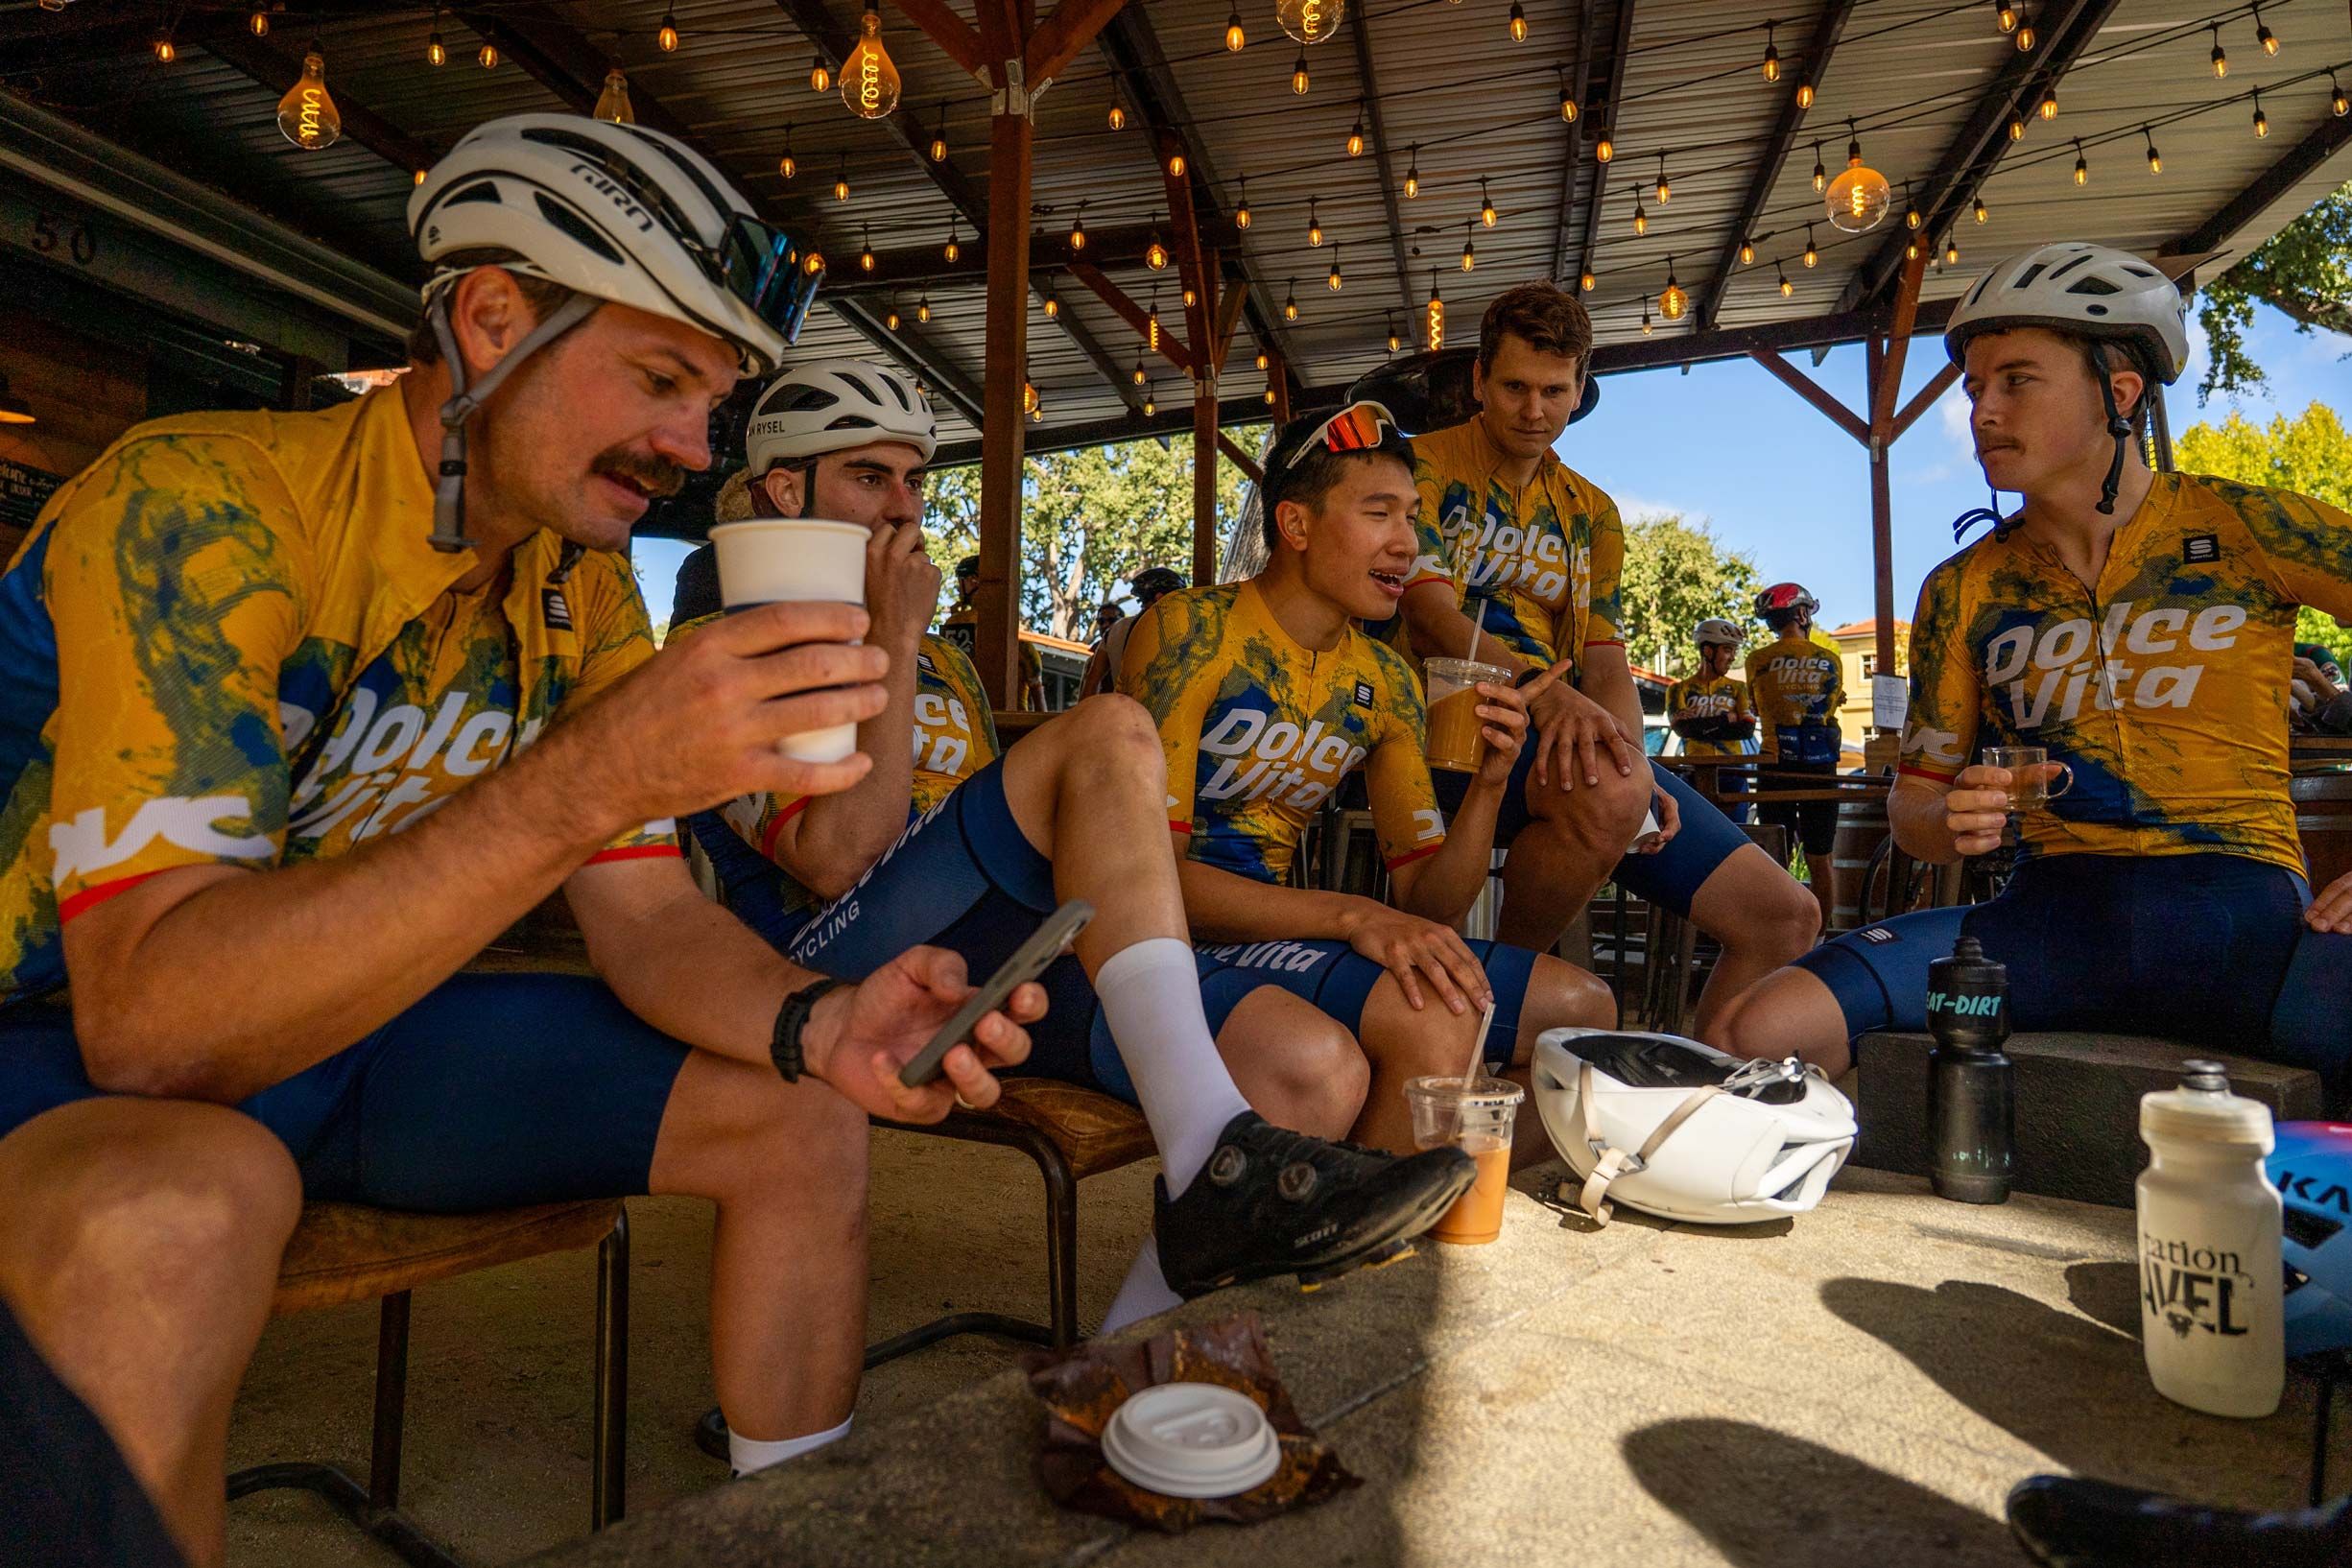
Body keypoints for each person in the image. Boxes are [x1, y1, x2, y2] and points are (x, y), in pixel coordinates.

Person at [0, 114, 1058, 1560]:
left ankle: (802, 1536)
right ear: (492, 318)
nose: (692, 450)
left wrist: (823, 1021)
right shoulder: (201, 499)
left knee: (801, 1112)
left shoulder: (583, 589)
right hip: (53, 1034)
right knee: (183, 1205)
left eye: (714, 400)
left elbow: (648, 918)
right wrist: (580, 774)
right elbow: (150, 1023)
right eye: (662, 377)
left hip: (363, 1036)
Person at [678, 361, 1478, 1331]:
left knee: (1310, 1064)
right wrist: (887, 637)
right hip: (838, 971)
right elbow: (841, 858)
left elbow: (992, 843)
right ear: (783, 491)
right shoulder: (732, 648)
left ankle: (1122, 1365)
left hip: (991, 950)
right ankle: (1209, 1138)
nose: (905, 509)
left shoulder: (945, 662)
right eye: (868, 477)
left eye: (915, 481)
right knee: (1109, 730)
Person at [1714, 242, 2352, 1098]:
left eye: (2017, 380)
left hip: (2247, 920)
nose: (1980, 410)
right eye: (1974, 387)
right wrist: (1954, 816)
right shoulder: (1963, 586)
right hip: (2045, 921)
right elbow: (1913, 807)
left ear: (2118, 394)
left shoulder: (2247, 527)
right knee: (1752, 1031)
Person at [1122, 402, 1617, 1158]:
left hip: (1279, 935)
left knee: (1581, 1014)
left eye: (1413, 517)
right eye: (1378, 513)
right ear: (1295, 526)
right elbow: (1146, 880)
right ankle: (1368, 1211)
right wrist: (1353, 917)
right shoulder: (1191, 629)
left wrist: (1490, 783)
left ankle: (1371, 1183)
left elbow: (1429, 901)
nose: (1407, 544)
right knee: (1438, 1016)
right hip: (1174, 938)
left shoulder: (1385, 675)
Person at [1392, 281, 1817, 1036]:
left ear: (1579, 388)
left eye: (1554, 391)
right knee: (1613, 792)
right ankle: (1498, 999)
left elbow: (1605, 659)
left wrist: (1635, 764)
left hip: (1556, 741)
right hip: (1435, 723)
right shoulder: (1416, 469)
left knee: (1783, 915)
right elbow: (1426, 614)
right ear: (1477, 382)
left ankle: (1700, 1089)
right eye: (1514, 387)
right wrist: (1545, 696)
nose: (1533, 411)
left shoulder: (1590, 511)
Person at [1745, 582, 1845, 933]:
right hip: (1821, 765)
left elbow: (1755, 708)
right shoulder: (1830, 659)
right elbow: (1831, 705)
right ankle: (1820, 941)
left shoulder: (1757, 660)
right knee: (1821, 860)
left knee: (1775, 862)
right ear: (1802, 615)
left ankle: (1778, 938)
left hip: (1775, 765)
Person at [1668, 618, 1758, 823]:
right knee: (1696, 832)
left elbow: (1746, 730)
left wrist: (1701, 726)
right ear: (1708, 651)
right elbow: (1682, 729)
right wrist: (1727, 718)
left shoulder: (1738, 688)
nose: (1732, 657)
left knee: (1736, 833)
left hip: (1733, 772)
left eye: (1734, 651)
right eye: (1727, 650)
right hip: (1694, 773)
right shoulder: (1678, 689)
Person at [943, 554, 1047, 710]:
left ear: (972, 580)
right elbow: (1041, 708)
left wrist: (957, 618)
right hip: (1016, 729)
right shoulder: (1024, 649)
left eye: (961, 580)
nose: (959, 588)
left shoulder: (955, 624)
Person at [1081, 564, 1186, 698]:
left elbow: (1092, 680)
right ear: (1160, 597)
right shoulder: (1175, 628)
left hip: (1123, 712)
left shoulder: (1115, 630)